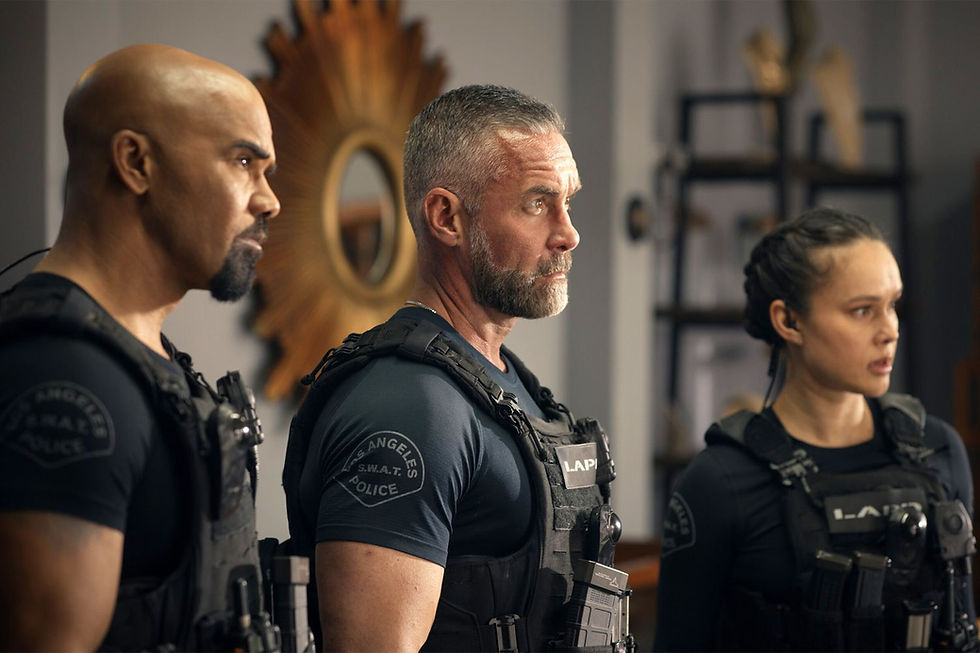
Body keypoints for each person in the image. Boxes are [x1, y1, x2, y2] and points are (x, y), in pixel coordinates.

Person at [282, 84, 632, 652]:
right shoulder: (411, 405)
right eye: (538, 203)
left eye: (568, 202)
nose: (569, 233)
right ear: (447, 217)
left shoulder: (505, 382)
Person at [0, 44, 281, 651]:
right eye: (242, 162)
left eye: (267, 172)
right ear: (135, 162)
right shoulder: (63, 375)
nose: (268, 200)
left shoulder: (148, 363)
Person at [653, 207, 978, 651]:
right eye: (862, 310)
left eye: (892, 305)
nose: (889, 331)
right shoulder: (719, 482)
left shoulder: (938, 449)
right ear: (789, 321)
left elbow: (962, 627)